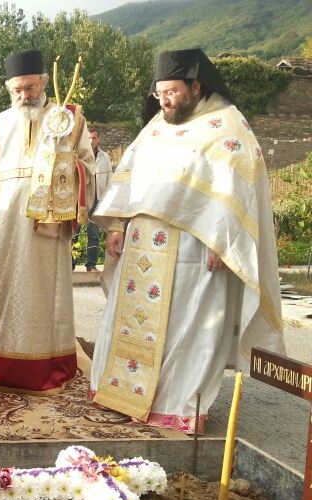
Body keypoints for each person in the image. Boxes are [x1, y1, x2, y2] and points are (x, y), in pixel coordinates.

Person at [89, 49, 285, 434]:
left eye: (172, 92)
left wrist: (225, 242)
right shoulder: (156, 126)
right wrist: (116, 227)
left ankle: (177, 407)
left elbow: (239, 192)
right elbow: (129, 178)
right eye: (159, 93)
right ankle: (121, 394)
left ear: (196, 86)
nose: (164, 101)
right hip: (142, 247)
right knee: (129, 325)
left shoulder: (227, 126)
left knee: (187, 330)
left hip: (194, 251)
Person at [0, 49, 95, 395]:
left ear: (44, 83)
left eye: (31, 87)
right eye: (18, 90)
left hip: (47, 226)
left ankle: (45, 370)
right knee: (0, 292)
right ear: (10, 89)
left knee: (44, 297)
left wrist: (67, 170)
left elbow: (89, 166)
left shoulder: (69, 118)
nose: (25, 95)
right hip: (5, 225)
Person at [73, 128, 112, 271]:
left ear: (98, 139)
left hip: (97, 199)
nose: (91, 141)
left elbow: (109, 179)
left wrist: (107, 199)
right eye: (89, 138)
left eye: (94, 138)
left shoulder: (104, 157)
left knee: (94, 234)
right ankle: (70, 264)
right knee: (74, 232)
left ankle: (91, 265)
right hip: (81, 198)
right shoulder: (79, 155)